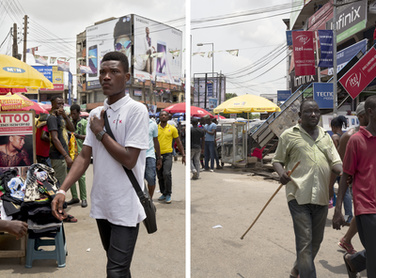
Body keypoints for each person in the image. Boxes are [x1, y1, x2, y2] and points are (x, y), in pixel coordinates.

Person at [52, 51, 149, 277]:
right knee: (118, 266)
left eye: (114, 71)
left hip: (125, 204)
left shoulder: (136, 110)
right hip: (104, 203)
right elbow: (84, 157)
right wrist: (62, 189)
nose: (106, 77)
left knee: (115, 270)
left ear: (127, 77)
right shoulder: (96, 113)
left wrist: (101, 132)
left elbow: (129, 158)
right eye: (103, 72)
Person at [272, 99, 342, 278]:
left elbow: (336, 163)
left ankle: (297, 270)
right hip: (298, 195)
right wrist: (281, 173)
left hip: (321, 196)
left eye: (316, 111)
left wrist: (349, 174)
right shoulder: (289, 135)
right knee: (304, 242)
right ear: (299, 116)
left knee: (316, 242)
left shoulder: (325, 136)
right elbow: (277, 160)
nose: (313, 114)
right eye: (309, 111)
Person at [333, 96, 376, 278]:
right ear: (370, 113)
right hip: (367, 207)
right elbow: (345, 176)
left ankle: (354, 261)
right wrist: (338, 209)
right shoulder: (355, 140)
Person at [335, 102, 368, 255]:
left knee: (363, 215)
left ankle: (347, 240)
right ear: (362, 116)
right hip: (357, 184)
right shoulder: (350, 136)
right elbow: (342, 166)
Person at [47, 96, 77, 223]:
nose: (60, 106)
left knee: (61, 185)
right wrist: (66, 156)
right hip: (58, 157)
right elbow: (54, 138)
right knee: (60, 187)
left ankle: (59, 210)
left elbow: (72, 129)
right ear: (52, 103)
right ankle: (60, 213)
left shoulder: (60, 117)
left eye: (62, 104)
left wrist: (65, 116)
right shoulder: (52, 118)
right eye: (58, 103)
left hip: (63, 156)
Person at [157, 110, 185, 203]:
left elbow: (178, 141)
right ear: (159, 117)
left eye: (165, 115)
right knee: (160, 175)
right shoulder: (155, 128)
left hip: (168, 155)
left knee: (167, 173)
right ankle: (163, 193)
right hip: (157, 155)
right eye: (162, 115)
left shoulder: (172, 128)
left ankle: (168, 193)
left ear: (168, 117)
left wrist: (183, 154)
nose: (164, 116)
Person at [329, 115, 353, 225]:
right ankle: (349, 216)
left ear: (334, 127)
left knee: (328, 189)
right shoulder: (345, 136)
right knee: (346, 193)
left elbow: (334, 155)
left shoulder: (334, 137)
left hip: (337, 167)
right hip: (346, 166)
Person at [66, 104, 88, 208]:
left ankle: (84, 198)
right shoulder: (69, 123)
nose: (72, 115)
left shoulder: (84, 123)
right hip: (70, 153)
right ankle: (75, 197)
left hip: (80, 153)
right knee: (70, 176)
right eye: (71, 113)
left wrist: (78, 136)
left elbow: (88, 137)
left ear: (79, 113)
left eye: (74, 113)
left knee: (81, 177)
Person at [145, 104, 162, 199]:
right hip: (136, 156)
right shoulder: (132, 123)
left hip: (150, 155)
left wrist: (159, 158)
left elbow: (156, 141)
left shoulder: (153, 124)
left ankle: (149, 200)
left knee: (151, 178)